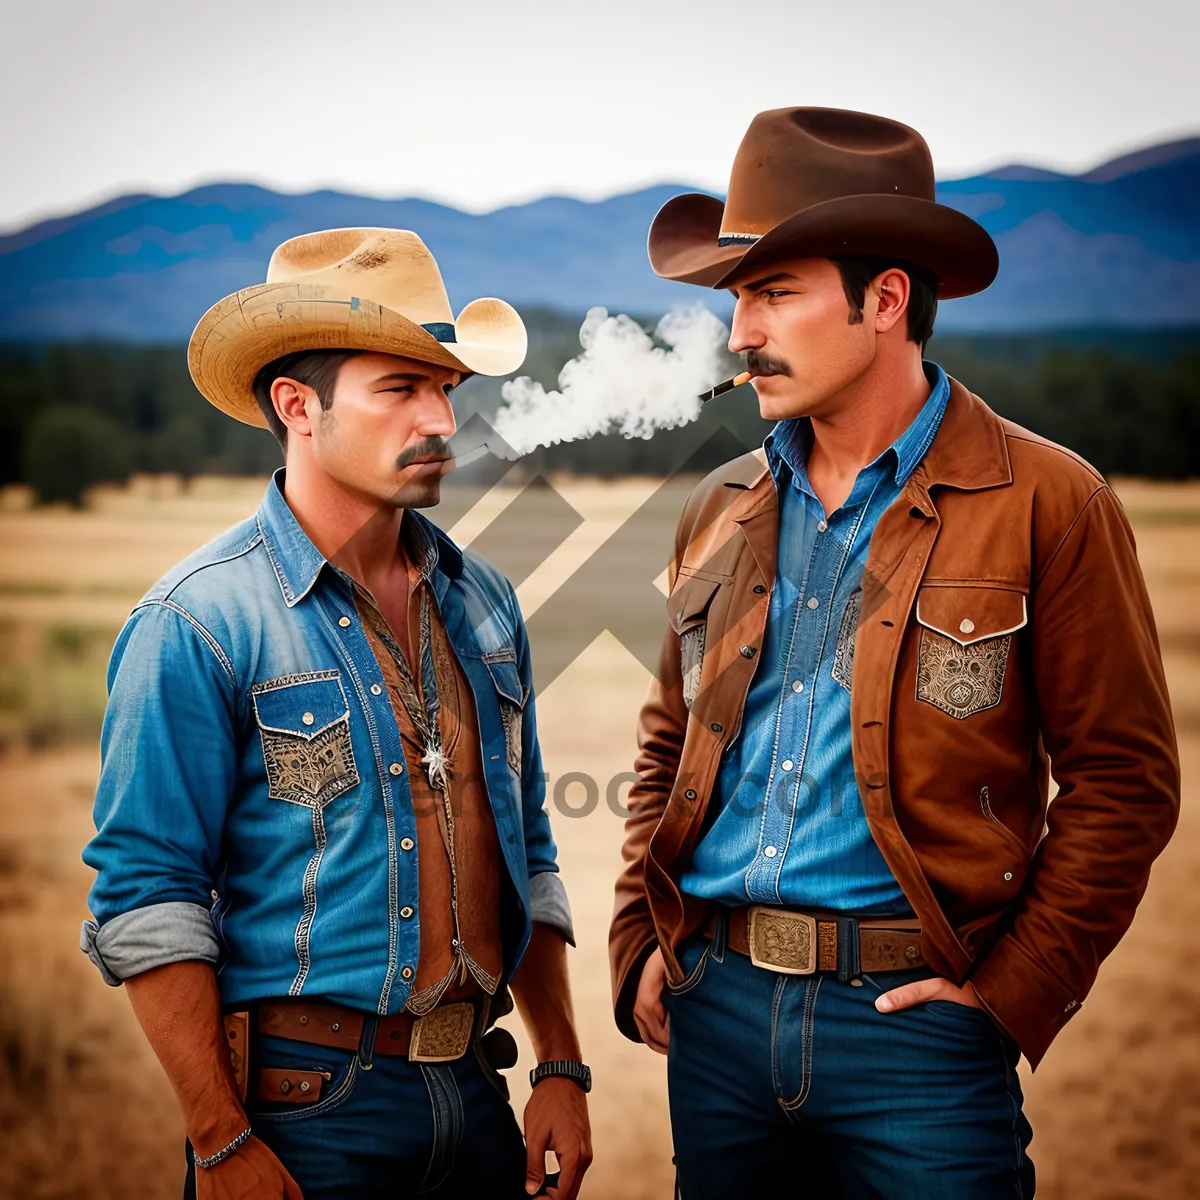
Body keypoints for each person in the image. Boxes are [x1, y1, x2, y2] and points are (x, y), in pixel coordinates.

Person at [609, 107, 1179, 1198]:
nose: (738, 333)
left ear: (884, 300)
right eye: (735, 297)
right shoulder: (719, 508)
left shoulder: (1050, 502)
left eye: (773, 294)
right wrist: (640, 937)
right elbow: (669, 741)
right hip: (716, 1017)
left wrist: (1011, 995)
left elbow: (1125, 782)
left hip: (918, 1034)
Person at [81, 228, 592, 1200]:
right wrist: (219, 1140)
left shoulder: (484, 603)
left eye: (447, 388)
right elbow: (145, 897)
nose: (441, 418)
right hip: (305, 1114)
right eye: (400, 390)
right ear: (297, 406)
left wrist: (560, 1066)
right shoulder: (198, 622)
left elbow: (526, 849)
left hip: (475, 1093)